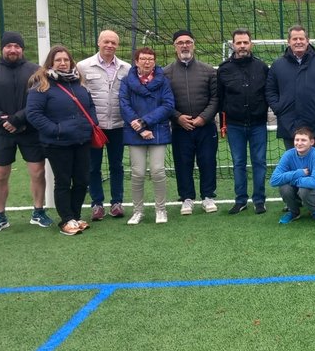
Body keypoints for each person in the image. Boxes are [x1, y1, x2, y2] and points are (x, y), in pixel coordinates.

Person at [0, 32, 51, 234]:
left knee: (38, 171)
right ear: (2, 48)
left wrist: (18, 119)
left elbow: (41, 99)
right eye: (9, 46)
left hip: (30, 130)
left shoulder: (36, 70)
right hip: (2, 132)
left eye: (17, 46)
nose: (13, 50)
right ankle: (0, 216)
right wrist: (3, 121)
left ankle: (38, 212)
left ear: (22, 49)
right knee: (0, 174)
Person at [25, 45, 96, 236]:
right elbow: (33, 114)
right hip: (57, 144)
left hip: (81, 140)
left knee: (82, 180)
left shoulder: (78, 83)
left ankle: (76, 216)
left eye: (66, 60)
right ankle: (66, 219)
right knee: (63, 181)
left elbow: (90, 107)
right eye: (58, 60)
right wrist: (56, 130)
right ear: (51, 63)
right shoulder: (41, 86)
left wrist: (91, 124)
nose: (63, 63)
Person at [163, 30, 220, 216]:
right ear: (175, 46)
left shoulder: (208, 70)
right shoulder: (165, 73)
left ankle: (208, 196)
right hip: (180, 128)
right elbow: (164, 101)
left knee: (207, 161)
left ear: (193, 45)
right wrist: (177, 117)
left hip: (206, 126)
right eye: (180, 42)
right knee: (183, 163)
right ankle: (186, 198)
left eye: (188, 42)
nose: (185, 45)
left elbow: (215, 98)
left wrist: (203, 117)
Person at [77, 29, 130, 221]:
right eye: (106, 41)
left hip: (118, 125)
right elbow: (79, 97)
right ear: (98, 42)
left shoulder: (126, 68)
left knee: (117, 165)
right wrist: (88, 122)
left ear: (117, 45)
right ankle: (97, 204)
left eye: (113, 42)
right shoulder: (83, 66)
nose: (109, 45)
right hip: (94, 127)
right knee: (93, 167)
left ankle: (117, 203)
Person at [217, 29, 270, 215]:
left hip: (258, 124)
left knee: (259, 162)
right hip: (235, 125)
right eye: (238, 43)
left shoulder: (262, 67)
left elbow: (268, 94)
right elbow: (220, 98)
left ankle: (259, 200)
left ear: (251, 44)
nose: (242, 46)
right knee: (238, 162)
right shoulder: (224, 69)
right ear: (233, 45)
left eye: (245, 42)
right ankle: (240, 200)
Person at [119, 47, 175, 224]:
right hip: (135, 132)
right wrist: (139, 127)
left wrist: (145, 122)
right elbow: (124, 105)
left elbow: (168, 105)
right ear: (136, 61)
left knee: (158, 171)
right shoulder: (126, 81)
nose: (147, 62)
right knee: (138, 173)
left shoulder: (163, 81)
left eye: (150, 59)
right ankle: (138, 211)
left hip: (157, 131)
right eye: (143, 59)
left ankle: (161, 209)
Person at [267, 25, 315, 149]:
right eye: (295, 39)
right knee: (294, 165)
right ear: (288, 42)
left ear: (307, 40)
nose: (298, 42)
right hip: (289, 123)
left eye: (301, 38)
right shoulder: (278, 65)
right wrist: (278, 108)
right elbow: (270, 90)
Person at [270, 127, 315, 224]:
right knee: (284, 187)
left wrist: (293, 180)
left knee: (304, 190)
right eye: (297, 140)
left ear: (312, 142)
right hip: (298, 185)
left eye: (303, 140)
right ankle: (294, 212)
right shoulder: (288, 154)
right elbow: (274, 180)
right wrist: (299, 173)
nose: (299, 143)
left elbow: (314, 182)